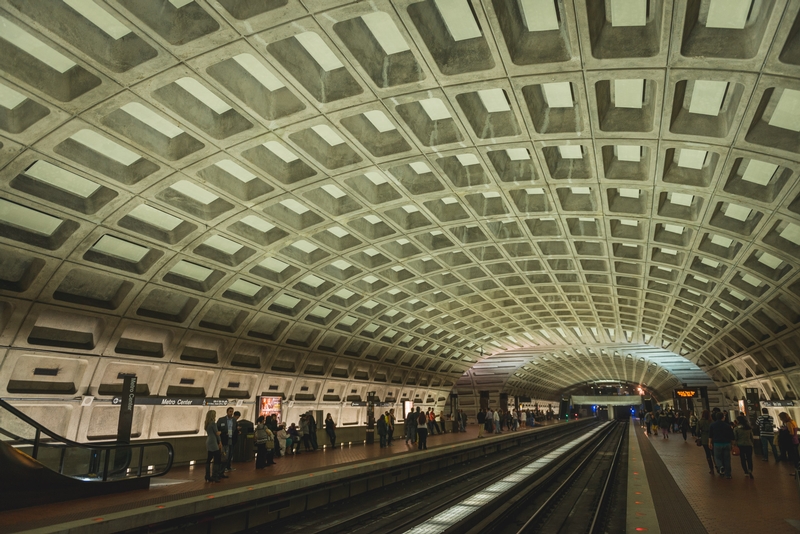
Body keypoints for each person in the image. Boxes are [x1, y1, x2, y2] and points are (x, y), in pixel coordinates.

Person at [709, 411, 734, 478]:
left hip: (717, 443)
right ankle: (728, 474)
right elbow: (731, 436)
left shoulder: (713, 425)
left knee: (717, 457)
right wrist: (732, 444)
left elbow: (710, 435)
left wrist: (710, 443)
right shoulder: (727, 426)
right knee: (727, 459)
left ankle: (720, 466)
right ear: (723, 417)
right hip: (726, 443)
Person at [216, 407, 238, 472]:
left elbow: (234, 429)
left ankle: (228, 466)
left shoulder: (234, 420)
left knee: (230, 453)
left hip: (231, 438)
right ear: (227, 412)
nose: (231, 413)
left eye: (232, 412)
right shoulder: (221, 420)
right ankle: (223, 467)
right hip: (223, 439)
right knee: (224, 454)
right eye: (230, 412)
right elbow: (218, 429)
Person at [205, 410, 223, 482]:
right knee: (217, 458)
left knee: (209, 459)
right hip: (213, 442)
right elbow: (217, 433)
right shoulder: (213, 423)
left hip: (208, 441)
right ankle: (215, 475)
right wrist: (220, 442)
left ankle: (207, 475)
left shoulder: (207, 423)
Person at [696, 410, 715, 474]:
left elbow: (697, 431)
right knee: (714, 453)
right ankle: (718, 466)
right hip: (712, 439)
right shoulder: (711, 421)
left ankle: (711, 469)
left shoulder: (700, 422)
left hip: (704, 440)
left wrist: (699, 435)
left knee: (708, 454)